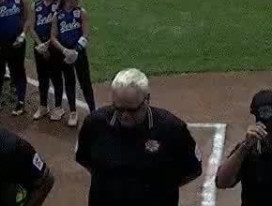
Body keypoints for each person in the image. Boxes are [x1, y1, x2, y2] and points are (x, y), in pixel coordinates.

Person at [76, 68, 202, 206]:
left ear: (147, 99)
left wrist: (160, 190)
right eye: (118, 109)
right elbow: (84, 158)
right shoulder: (94, 124)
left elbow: (192, 170)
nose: (124, 116)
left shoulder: (171, 129)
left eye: (132, 110)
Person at [54, 0, 97, 127]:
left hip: (79, 52)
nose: (77, 0)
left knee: (85, 82)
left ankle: (93, 110)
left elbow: (86, 33)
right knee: (69, 82)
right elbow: (53, 37)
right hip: (65, 54)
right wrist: (65, 51)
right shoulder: (58, 16)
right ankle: (73, 111)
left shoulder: (80, 13)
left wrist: (76, 51)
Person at [30, 0, 63, 121]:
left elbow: (60, 29)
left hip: (54, 46)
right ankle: (43, 106)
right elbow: (31, 27)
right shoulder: (36, 5)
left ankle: (58, 106)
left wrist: (48, 44)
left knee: (56, 77)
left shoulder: (59, 6)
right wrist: (39, 44)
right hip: (39, 46)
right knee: (42, 77)